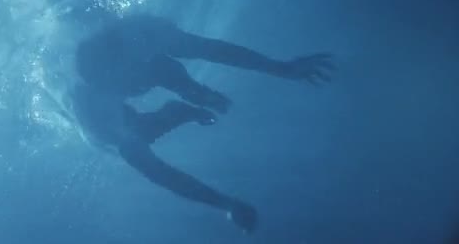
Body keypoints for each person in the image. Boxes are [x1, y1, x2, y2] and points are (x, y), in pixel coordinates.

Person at [71, 12, 333, 233]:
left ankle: (193, 95)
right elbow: (156, 171)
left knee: (188, 82)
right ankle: (179, 110)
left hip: (141, 55)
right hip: (114, 98)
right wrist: (224, 203)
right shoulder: (95, 111)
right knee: (143, 134)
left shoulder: (143, 33)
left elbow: (211, 50)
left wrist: (282, 68)